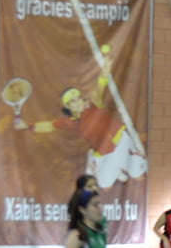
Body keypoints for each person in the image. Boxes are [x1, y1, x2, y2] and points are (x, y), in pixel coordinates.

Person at [15, 57, 148, 190]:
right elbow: (48, 126)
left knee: (139, 177)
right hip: (102, 152)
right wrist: (27, 125)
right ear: (67, 106)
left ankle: (123, 164)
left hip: (120, 143)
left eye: (78, 97)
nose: (78, 101)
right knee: (105, 187)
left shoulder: (93, 104)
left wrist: (105, 70)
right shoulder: (66, 122)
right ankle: (117, 168)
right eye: (73, 101)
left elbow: (99, 88)